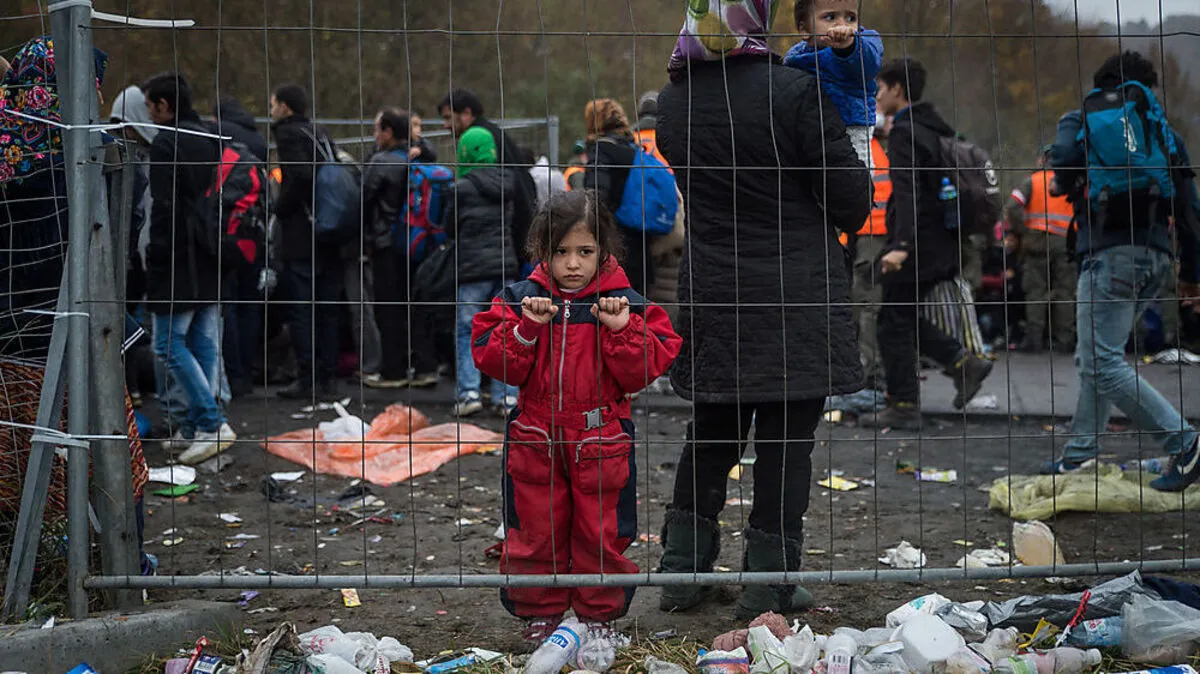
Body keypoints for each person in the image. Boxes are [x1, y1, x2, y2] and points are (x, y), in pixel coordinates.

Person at [656, 0, 871, 618]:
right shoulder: (795, 92)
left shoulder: (674, 101)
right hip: (795, 292)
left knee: (710, 432)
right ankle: (768, 583)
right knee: (786, 443)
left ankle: (681, 572)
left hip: (716, 290)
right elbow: (852, 201)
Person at [472, 190, 681, 643]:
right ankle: (540, 611)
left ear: (604, 250)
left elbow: (645, 369)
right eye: (560, 251)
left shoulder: (626, 303)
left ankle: (597, 615)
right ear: (541, 250)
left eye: (584, 252)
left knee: (600, 531)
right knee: (535, 528)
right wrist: (525, 330)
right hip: (535, 434)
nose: (572, 264)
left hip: (601, 437)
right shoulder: (519, 298)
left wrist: (622, 330)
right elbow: (495, 363)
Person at [1046, 51, 1200, 488]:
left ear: (1100, 86)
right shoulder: (1163, 133)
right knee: (1096, 356)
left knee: (1100, 361)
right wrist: (1192, 273)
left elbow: (1063, 160)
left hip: (1109, 253)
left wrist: (1064, 176)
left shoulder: (1084, 119)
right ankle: (1080, 456)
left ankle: (1186, 443)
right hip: (1156, 257)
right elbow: (1190, 208)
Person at [864, 57, 994, 430]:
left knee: (892, 322)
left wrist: (900, 245)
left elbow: (908, 194)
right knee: (899, 317)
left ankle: (905, 404)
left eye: (880, 88)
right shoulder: (934, 128)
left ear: (897, 89)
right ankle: (962, 363)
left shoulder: (905, 132)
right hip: (941, 241)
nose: (876, 96)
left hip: (917, 244)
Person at [142, 72, 237, 464]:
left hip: (178, 257)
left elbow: (164, 207)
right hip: (209, 252)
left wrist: (155, 256)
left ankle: (212, 423)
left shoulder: (167, 142)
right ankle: (200, 423)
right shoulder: (211, 138)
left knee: (166, 343)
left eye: (150, 106)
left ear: (164, 106)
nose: (149, 114)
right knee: (201, 339)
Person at [270, 83, 344, 399]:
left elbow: (300, 176)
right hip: (329, 229)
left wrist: (280, 207)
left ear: (285, 107)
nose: (271, 111)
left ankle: (307, 377)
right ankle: (329, 376)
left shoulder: (288, 135)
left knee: (302, 309)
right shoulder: (319, 132)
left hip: (302, 233)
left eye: (273, 105)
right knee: (328, 309)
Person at [446, 127, 522, 416]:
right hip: (504, 266)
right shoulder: (507, 183)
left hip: (472, 269)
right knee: (505, 328)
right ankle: (507, 397)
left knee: (468, 329)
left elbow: (449, 227)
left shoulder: (461, 188)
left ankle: (469, 393)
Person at [364, 107, 439, 388]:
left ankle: (393, 371)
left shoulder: (381, 161)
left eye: (377, 130)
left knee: (389, 308)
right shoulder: (421, 159)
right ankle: (425, 367)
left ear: (388, 132)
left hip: (387, 244)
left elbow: (365, 201)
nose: (375, 136)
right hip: (418, 242)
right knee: (417, 305)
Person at [439, 88, 538, 268]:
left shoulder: (480, 139)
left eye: (448, 118)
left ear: (466, 113)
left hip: (503, 240)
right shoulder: (496, 133)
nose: (445, 125)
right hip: (514, 235)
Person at [209, 96, 268, 398]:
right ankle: (248, 370)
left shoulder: (217, 140)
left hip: (226, 240)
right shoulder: (258, 142)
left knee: (226, 307)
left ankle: (232, 374)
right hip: (252, 239)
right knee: (250, 306)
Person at [783, 0, 884, 168]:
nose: (842, 25)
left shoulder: (863, 44)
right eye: (830, 17)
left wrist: (848, 48)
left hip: (850, 127)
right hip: (810, 129)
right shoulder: (796, 57)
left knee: (854, 172)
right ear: (804, 29)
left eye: (851, 18)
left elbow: (868, 65)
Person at [1004, 147, 1077, 354]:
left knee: (1036, 292)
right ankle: (1065, 341)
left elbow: (1012, 206)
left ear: (1041, 160)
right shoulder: (1071, 182)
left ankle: (1034, 340)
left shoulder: (1033, 181)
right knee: (1065, 292)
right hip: (1066, 242)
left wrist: (1022, 230)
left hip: (1036, 242)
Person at [582, 99, 655, 296]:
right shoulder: (634, 149)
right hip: (641, 238)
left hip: (613, 240)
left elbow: (597, 195)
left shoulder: (602, 150)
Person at [849, 112, 893, 386]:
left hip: (869, 236)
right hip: (874, 236)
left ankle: (870, 369)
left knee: (867, 303)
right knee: (869, 304)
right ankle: (871, 367)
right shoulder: (881, 152)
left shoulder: (865, 149)